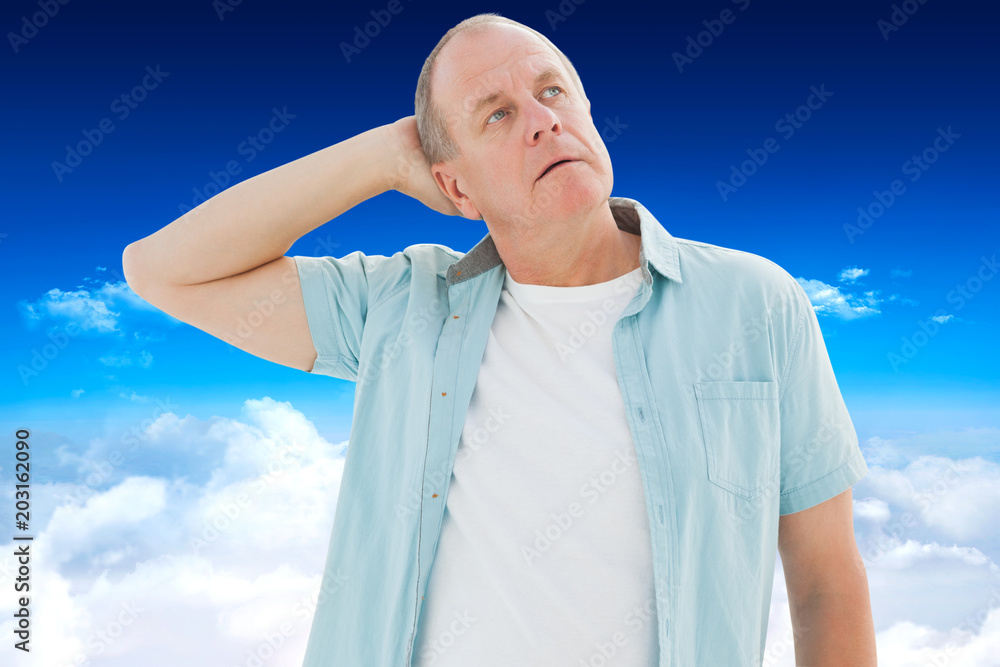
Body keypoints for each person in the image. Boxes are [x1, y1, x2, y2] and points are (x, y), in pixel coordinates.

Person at [121, 12, 877, 667]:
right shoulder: (398, 306)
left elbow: (825, 578)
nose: (543, 119)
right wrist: (382, 157)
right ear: (454, 188)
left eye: (552, 92)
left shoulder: (756, 303)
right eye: (497, 115)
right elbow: (163, 272)